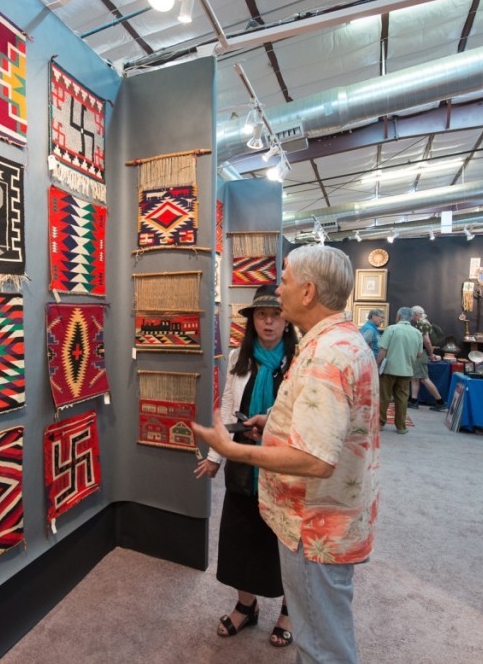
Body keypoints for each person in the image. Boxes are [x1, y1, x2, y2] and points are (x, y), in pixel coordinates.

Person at [192, 245, 380, 664]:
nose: (279, 292)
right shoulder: (340, 342)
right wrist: (271, 423)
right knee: (322, 635)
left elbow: (315, 459)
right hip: (324, 518)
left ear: (308, 291)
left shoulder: (323, 357)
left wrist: (233, 448)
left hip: (313, 525)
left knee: (321, 648)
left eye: (287, 281)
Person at [194, 284, 298, 647]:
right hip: (244, 463)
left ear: (287, 320)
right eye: (261, 315)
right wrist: (214, 457)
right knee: (241, 537)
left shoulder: (300, 359)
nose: (269, 322)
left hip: (285, 464)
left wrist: (269, 422)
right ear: (252, 320)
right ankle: (246, 605)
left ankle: (289, 612)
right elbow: (225, 407)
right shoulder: (240, 355)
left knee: (284, 541)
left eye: (276, 314)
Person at [377, 307, 422, 434]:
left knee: (384, 397)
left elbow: (382, 350)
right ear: (412, 317)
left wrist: (376, 365)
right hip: (406, 370)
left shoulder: (392, 329)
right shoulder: (417, 333)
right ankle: (401, 426)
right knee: (402, 398)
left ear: (398, 316)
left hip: (389, 369)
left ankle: (380, 423)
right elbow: (419, 354)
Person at [408, 305, 444, 410]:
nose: (411, 317)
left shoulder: (421, 323)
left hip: (421, 353)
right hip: (422, 352)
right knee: (416, 377)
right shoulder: (425, 322)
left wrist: (430, 354)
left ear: (416, 314)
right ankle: (413, 401)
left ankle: (440, 401)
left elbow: (426, 341)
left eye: (412, 315)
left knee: (424, 378)